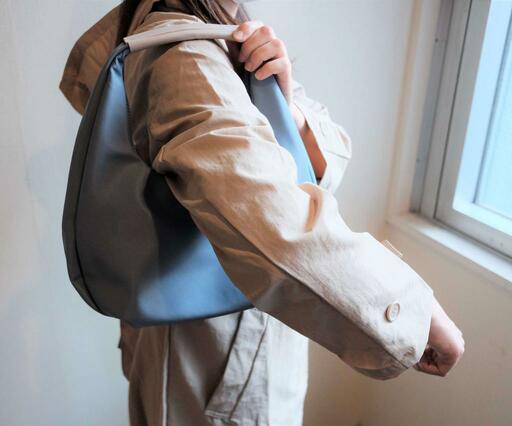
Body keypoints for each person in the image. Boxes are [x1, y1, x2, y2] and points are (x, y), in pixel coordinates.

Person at [59, 1, 465, 424]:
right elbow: (280, 225)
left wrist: (281, 105)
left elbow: (331, 152)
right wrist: (413, 315)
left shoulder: (221, 31)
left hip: (224, 346)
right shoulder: (184, 57)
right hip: (214, 357)